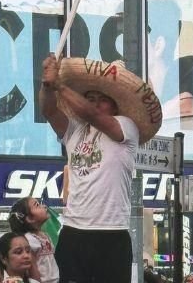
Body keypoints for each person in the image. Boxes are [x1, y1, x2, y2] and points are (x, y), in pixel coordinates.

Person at [40, 54, 141, 283]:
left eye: (102, 98)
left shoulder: (126, 126)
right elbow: (49, 111)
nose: (95, 103)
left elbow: (92, 114)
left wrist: (59, 86)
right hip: (73, 230)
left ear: (115, 104)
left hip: (111, 232)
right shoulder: (75, 130)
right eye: (90, 97)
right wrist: (47, 86)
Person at [7, 197, 59, 283]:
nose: (44, 206)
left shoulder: (45, 235)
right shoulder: (29, 240)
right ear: (29, 219)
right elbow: (32, 268)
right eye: (37, 205)